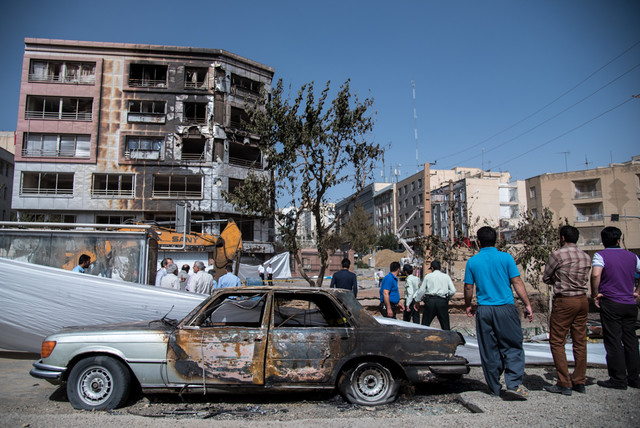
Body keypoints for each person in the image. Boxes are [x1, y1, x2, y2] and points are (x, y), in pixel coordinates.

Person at [464, 226, 533, 399]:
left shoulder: (473, 262)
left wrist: (468, 305)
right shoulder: (506, 257)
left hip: (485, 310)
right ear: (496, 240)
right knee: (513, 345)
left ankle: (494, 386)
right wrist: (527, 304)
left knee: (489, 349)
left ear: (478, 242)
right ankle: (514, 382)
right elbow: (516, 282)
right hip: (506, 308)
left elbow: (468, 287)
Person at [542, 225, 591, 396]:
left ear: (562, 238)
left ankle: (564, 381)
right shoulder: (586, 256)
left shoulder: (558, 255)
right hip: (583, 299)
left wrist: (558, 278)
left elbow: (546, 277)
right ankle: (579, 380)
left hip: (565, 300)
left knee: (557, 341)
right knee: (580, 341)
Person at [590, 226, 640, 390]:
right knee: (631, 340)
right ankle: (634, 377)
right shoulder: (633, 257)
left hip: (611, 301)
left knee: (613, 340)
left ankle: (618, 378)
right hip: (629, 303)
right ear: (619, 239)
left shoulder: (601, 256)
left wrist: (595, 293)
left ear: (602, 240)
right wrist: (637, 292)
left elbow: (596, 274)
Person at [419, 260, 457, 330]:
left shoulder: (428, 276)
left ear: (432, 268)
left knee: (425, 325)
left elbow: (422, 290)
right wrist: (447, 295)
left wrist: (417, 300)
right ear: (440, 268)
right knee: (445, 325)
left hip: (430, 301)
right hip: (442, 301)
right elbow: (453, 290)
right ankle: (447, 339)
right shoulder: (446, 276)